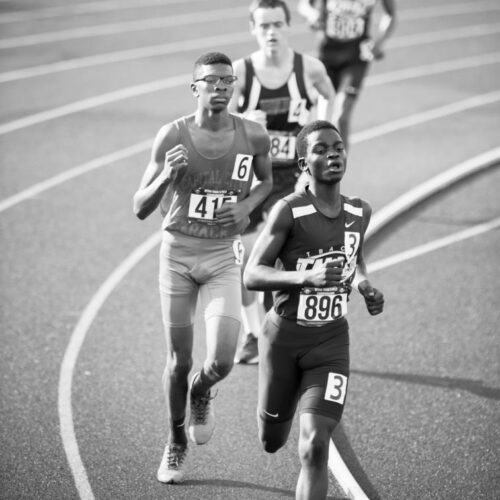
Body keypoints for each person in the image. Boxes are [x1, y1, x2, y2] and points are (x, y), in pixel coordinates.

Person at [133, 51, 272, 484]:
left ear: (234, 87)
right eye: (211, 80)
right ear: (195, 87)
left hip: (222, 255)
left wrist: (248, 206)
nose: (220, 87)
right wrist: (164, 179)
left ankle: (201, 392)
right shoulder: (171, 136)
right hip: (177, 254)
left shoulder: (253, 135)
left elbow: (266, 181)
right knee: (178, 360)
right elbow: (140, 207)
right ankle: (175, 442)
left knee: (223, 361)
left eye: (227, 81)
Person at [243, 120, 384, 499]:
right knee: (272, 440)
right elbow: (252, 275)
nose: (333, 154)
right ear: (304, 163)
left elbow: (354, 260)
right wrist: (305, 279)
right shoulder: (289, 211)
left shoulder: (360, 211)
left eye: (337, 147)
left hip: (331, 342)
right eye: (321, 149)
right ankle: (274, 417)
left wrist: (363, 284)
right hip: (283, 338)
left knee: (315, 445)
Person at [229, 0, 336, 364]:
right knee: (244, 260)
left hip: (294, 176)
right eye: (263, 26)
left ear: (288, 25)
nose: (271, 31)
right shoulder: (242, 73)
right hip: (255, 176)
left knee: (294, 258)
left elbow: (328, 95)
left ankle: (289, 330)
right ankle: (252, 332)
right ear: (253, 30)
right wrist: (243, 118)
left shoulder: (309, 68)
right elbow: (221, 121)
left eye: (277, 23)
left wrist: (319, 134)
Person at [297, 0, 397, 150]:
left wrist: (379, 43)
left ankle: (339, 168)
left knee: (341, 116)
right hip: (327, 55)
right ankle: (316, 163)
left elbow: (390, 14)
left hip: (355, 58)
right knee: (321, 119)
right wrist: (312, 15)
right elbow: (304, 5)